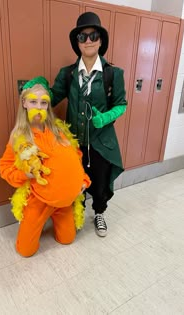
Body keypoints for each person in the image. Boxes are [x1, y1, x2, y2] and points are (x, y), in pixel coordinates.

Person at [51, 12, 127, 237]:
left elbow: (121, 104)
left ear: (101, 40)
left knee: (100, 181)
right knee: (76, 181)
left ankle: (100, 212)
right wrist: (36, 95)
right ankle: (77, 214)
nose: (88, 41)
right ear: (77, 43)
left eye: (93, 35)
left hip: (102, 142)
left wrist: (105, 117)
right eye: (82, 37)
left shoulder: (114, 74)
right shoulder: (68, 74)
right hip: (74, 142)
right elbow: (52, 98)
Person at [0, 76, 91, 257]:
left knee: (67, 239)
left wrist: (83, 180)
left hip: (65, 201)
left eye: (43, 102)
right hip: (39, 200)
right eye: (33, 101)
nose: (39, 107)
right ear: (24, 103)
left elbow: (76, 156)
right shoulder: (19, 137)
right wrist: (25, 174)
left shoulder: (59, 130)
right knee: (25, 251)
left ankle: (59, 217)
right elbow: (5, 167)